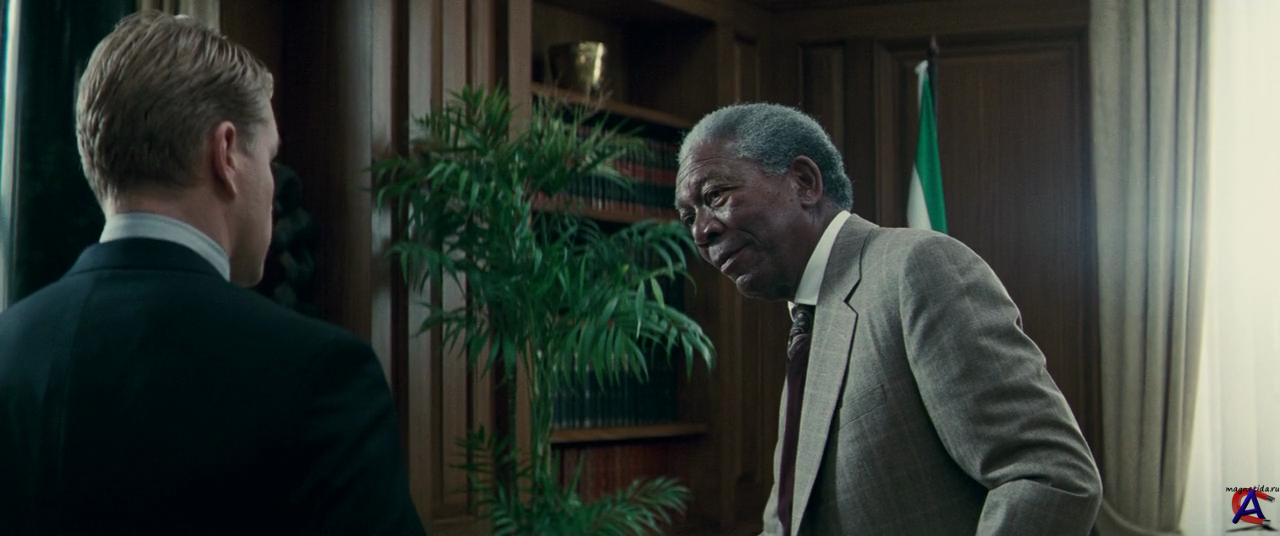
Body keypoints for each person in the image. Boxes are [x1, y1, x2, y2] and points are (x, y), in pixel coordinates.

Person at [0, 11, 424, 535]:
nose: (274, 183)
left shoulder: (8, 352)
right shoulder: (323, 375)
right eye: (269, 157)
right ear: (226, 154)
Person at [674, 103, 1102, 535]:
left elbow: (1048, 476)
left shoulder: (916, 268)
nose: (701, 232)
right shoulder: (809, 323)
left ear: (804, 182)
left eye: (715, 196)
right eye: (688, 217)